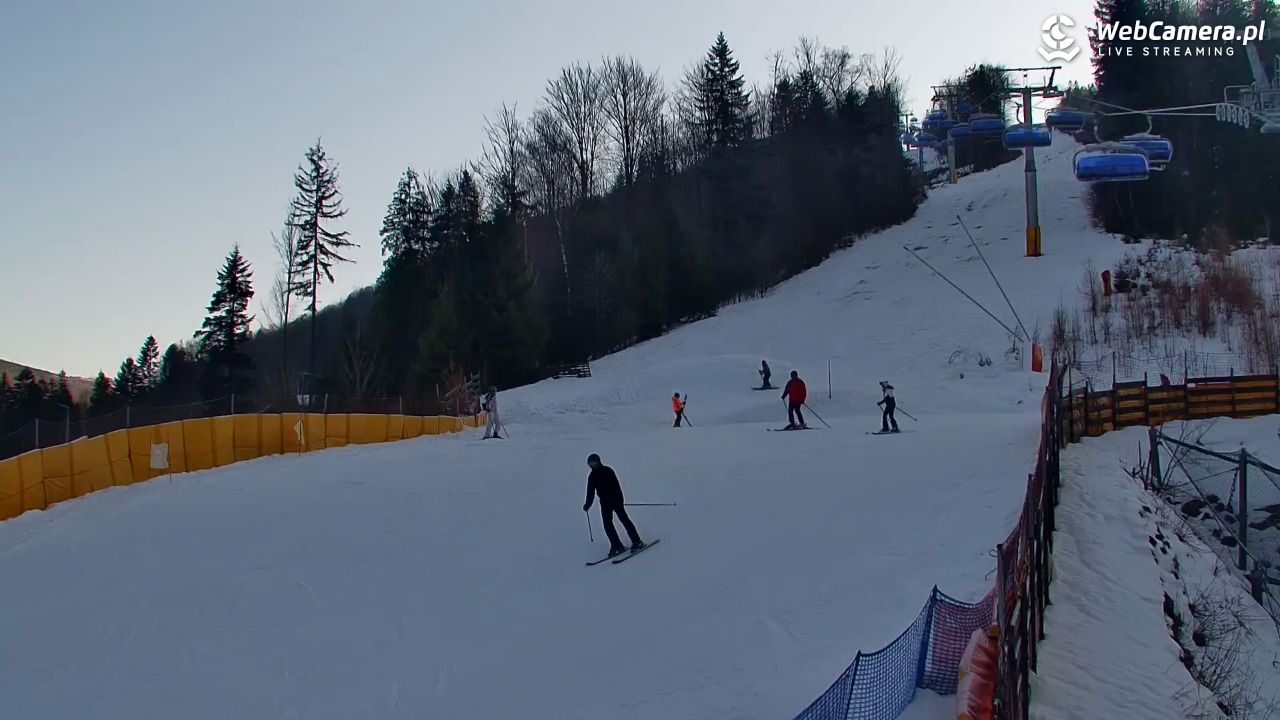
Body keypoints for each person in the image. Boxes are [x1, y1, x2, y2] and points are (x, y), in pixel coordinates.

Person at [583, 453, 646, 557]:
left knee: (624, 520)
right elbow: (590, 492)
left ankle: (637, 541)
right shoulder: (592, 477)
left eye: (594, 463)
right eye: (590, 464)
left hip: (615, 500)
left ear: (599, 462)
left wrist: (619, 500)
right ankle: (616, 545)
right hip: (604, 503)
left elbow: (617, 487)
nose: (592, 465)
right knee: (607, 524)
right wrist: (587, 505)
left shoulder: (608, 471)